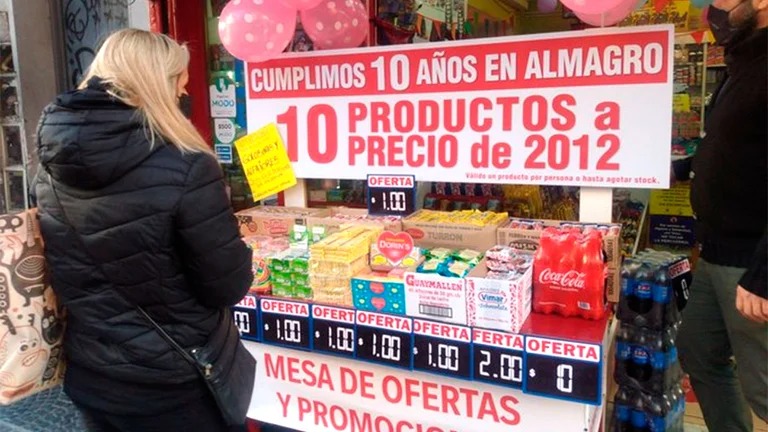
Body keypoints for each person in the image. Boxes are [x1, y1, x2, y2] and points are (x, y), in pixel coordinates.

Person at [33, 29, 254, 431]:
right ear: (157, 85)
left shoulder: (50, 165)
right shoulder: (188, 165)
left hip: (92, 375)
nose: (184, 95)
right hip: (172, 384)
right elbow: (227, 286)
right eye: (180, 85)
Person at [673, 0, 768, 430]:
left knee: (762, 386)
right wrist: (680, 168)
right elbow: (734, 147)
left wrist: (763, 276)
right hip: (716, 252)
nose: (713, 7)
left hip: (750, 264)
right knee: (699, 352)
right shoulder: (742, 62)